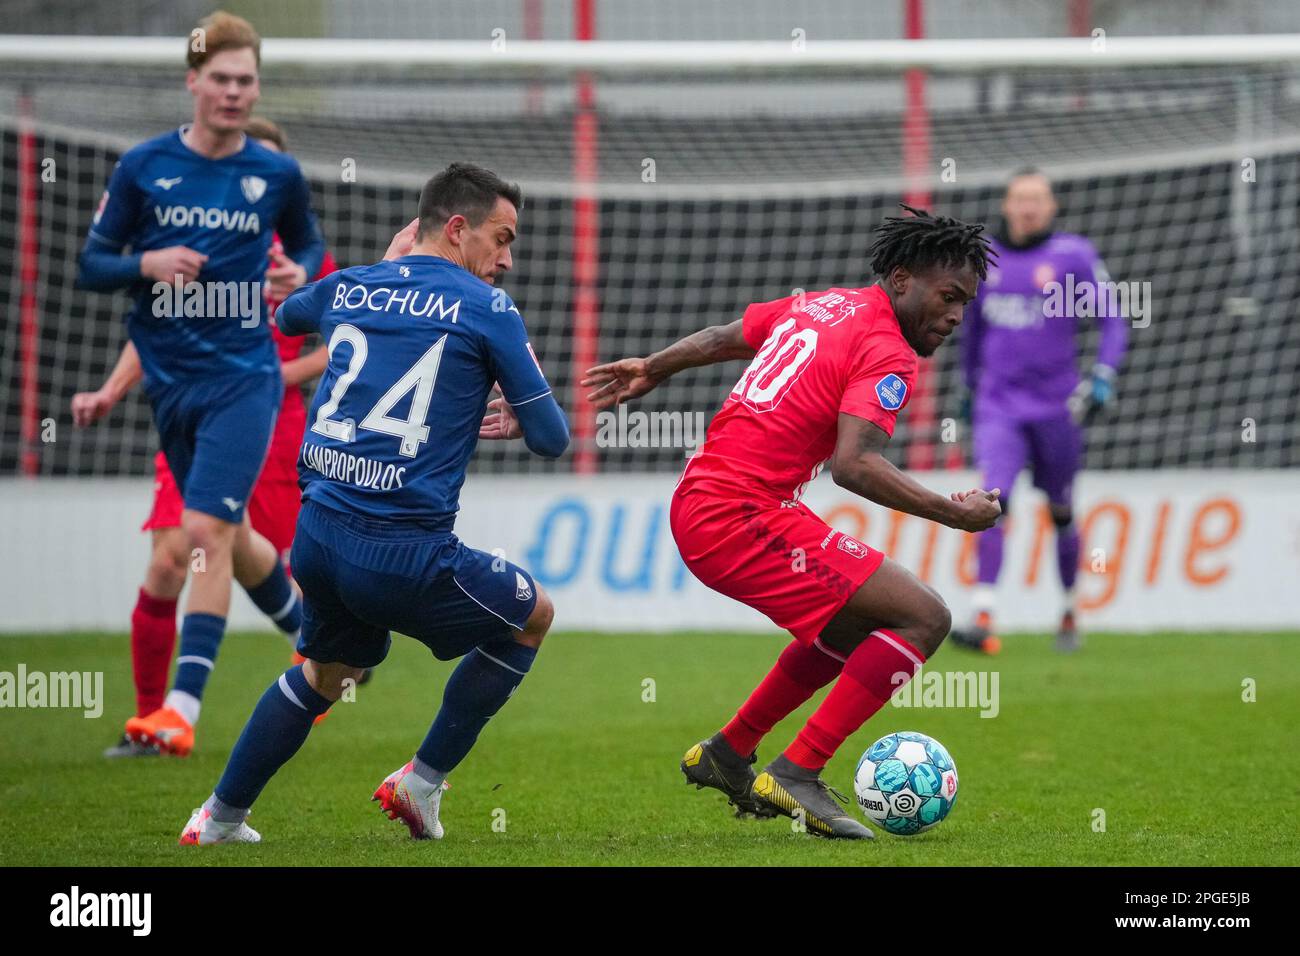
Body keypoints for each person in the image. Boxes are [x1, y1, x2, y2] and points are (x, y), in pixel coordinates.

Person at [180, 162, 569, 846]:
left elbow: (291, 313)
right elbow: (551, 438)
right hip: (402, 553)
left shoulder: (353, 285)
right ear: (457, 229)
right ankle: (420, 784)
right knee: (531, 615)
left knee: (326, 672)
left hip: (320, 540)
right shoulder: (488, 309)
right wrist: (516, 399)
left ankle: (217, 818)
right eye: (501, 239)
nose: (506, 259)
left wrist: (383, 271)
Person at [583, 205, 1001, 839]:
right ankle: (799, 771)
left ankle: (729, 753)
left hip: (711, 503)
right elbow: (854, 466)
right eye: (948, 297)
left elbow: (725, 335)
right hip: (738, 514)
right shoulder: (888, 349)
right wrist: (956, 514)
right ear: (899, 279)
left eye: (965, 304)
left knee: (856, 625)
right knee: (925, 616)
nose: (955, 316)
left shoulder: (822, 304)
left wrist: (654, 365)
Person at [75, 12, 325, 757]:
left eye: (246, 80)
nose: (234, 92)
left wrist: (299, 273)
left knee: (203, 537)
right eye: (220, 78)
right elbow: (92, 264)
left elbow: (308, 245)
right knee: (234, 536)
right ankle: (317, 634)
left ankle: (177, 712)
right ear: (193, 82)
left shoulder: (275, 173)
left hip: (245, 380)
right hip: (171, 386)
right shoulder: (144, 167)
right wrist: (145, 266)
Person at [952, 168, 1128, 654]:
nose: (1028, 207)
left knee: (1062, 510)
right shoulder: (985, 258)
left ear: (1052, 207)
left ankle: (1070, 610)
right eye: (1020, 198)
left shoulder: (1073, 257)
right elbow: (972, 332)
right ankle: (982, 613)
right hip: (999, 404)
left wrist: (1104, 375)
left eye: (1038, 199)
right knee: (993, 500)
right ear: (1007, 205)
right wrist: (967, 388)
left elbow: (1113, 320)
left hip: (1056, 406)